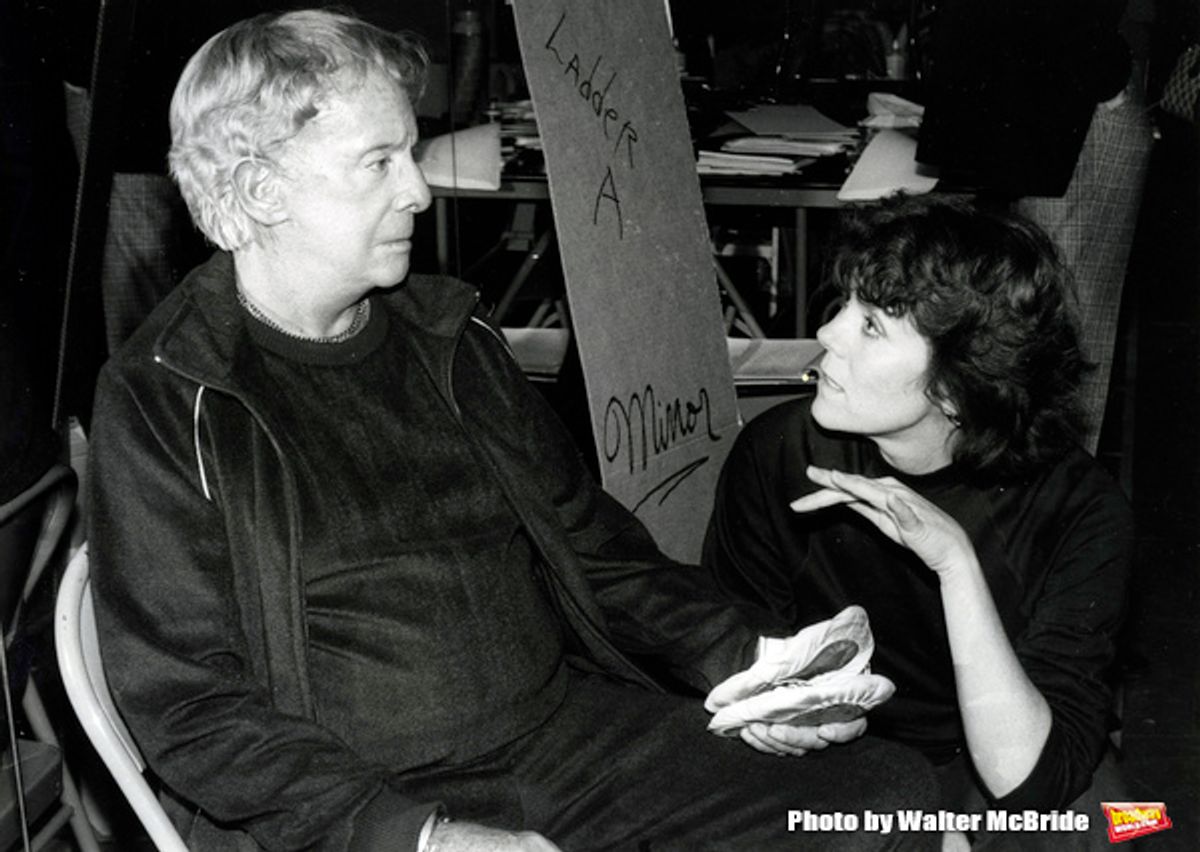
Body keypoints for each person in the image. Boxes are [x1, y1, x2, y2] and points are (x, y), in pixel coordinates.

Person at [86, 10, 940, 851]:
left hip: (563, 737)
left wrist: (749, 662)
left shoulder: (449, 339)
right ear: (261, 192)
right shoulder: (171, 397)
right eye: (378, 163)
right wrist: (424, 837)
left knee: (886, 801)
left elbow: (592, 544)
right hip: (368, 802)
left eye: (411, 154)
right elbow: (192, 708)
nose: (418, 191)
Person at [703, 196, 1134, 848]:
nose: (827, 334)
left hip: (1001, 750)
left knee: (1112, 831)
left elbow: (1028, 780)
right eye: (842, 305)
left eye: (871, 325)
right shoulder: (778, 454)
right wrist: (773, 714)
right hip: (842, 757)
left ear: (956, 388)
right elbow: (737, 644)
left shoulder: (1081, 511)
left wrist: (954, 563)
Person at [916, 0, 1154, 453]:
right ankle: (1058, 506)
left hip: (1035, 113)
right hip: (1068, 112)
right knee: (1070, 335)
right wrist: (1109, 77)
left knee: (1050, 334)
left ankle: (1051, 502)